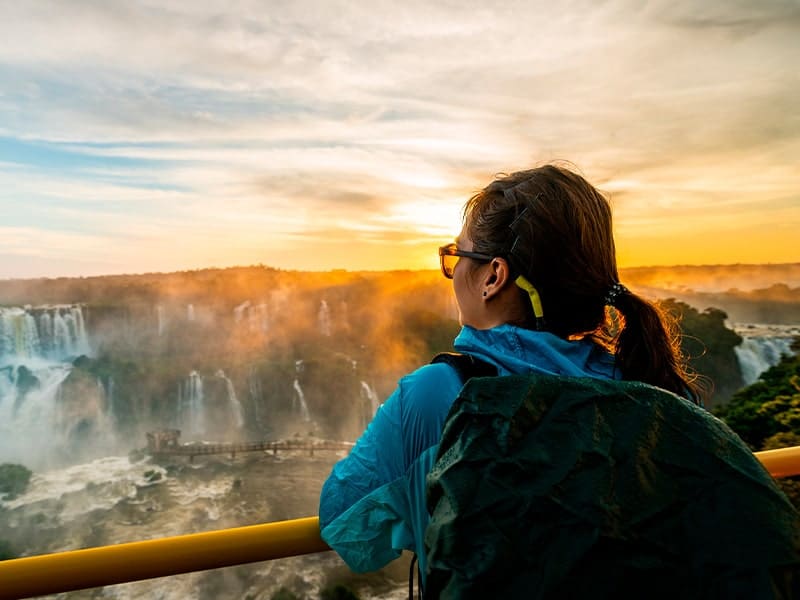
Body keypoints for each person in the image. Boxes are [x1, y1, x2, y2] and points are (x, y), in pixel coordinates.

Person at [318, 163, 711, 585]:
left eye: (457, 257)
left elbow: (344, 521)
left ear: (493, 276)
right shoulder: (649, 384)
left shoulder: (442, 392)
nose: (454, 274)